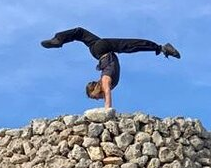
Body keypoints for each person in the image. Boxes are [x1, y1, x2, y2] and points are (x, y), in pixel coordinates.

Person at [41, 27, 180, 109]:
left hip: (102, 50)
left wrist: (107, 109)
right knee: (80, 32)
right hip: (99, 51)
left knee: (131, 45)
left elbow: (107, 92)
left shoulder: (105, 81)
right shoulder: (104, 79)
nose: (95, 99)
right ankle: (59, 39)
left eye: (93, 97)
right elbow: (105, 92)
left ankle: (161, 48)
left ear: (94, 90)